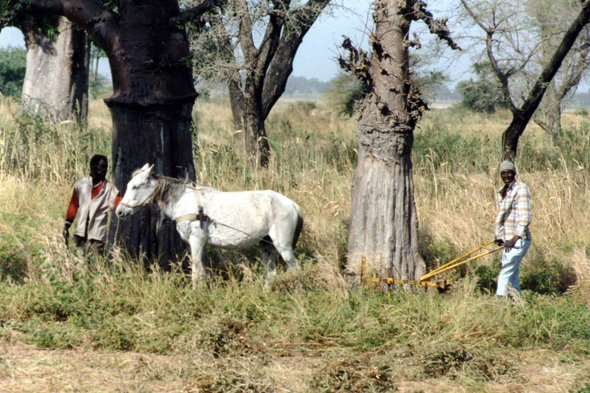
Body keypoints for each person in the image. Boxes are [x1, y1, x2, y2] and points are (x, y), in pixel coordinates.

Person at [63, 155, 122, 256]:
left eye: (106, 167)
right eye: (102, 167)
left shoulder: (110, 189)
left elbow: (121, 206)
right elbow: (74, 205)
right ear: (93, 167)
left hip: (97, 236)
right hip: (80, 233)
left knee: (95, 267)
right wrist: (67, 224)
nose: (105, 170)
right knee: (78, 263)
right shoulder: (81, 184)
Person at [493, 160, 532, 297]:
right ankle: (517, 300)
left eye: (509, 172)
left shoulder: (521, 188)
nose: (506, 175)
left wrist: (515, 238)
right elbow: (504, 218)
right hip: (507, 240)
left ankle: (499, 300)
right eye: (503, 173)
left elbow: (525, 217)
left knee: (505, 270)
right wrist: (499, 237)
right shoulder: (503, 191)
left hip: (518, 240)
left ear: (514, 173)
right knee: (512, 273)